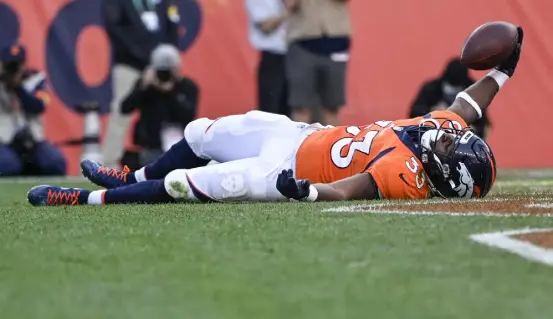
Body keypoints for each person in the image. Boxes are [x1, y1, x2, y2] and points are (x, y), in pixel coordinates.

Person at [27, 27, 523, 206]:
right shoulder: (446, 132)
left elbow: (348, 190)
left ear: (443, 173)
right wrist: (504, 70)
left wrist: (304, 190)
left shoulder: (409, 177)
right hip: (302, 133)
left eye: (446, 148)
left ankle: (88, 199)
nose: (443, 136)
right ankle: (131, 174)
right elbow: (468, 105)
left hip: (285, 172)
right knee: (202, 133)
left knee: (187, 184)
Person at [101, 0, 181, 168]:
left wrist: (166, 58)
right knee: (121, 112)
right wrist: (142, 56)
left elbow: (172, 26)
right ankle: (109, 163)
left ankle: (175, 159)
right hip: (129, 64)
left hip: (160, 66)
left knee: (169, 110)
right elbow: (115, 29)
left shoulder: (163, 2)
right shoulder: (118, 3)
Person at [119, 44, 199, 168]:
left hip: (178, 144)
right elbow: (125, 108)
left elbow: (188, 115)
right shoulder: (147, 86)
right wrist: (142, 88)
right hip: (151, 146)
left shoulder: (187, 87)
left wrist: (170, 92)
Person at [0, 43, 66, 177]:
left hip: (34, 140)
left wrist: (17, 87)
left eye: (17, 65)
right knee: (7, 166)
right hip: (4, 140)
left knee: (55, 163)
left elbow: (38, 106)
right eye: (9, 65)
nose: (13, 69)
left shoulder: (36, 79)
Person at [285, 0, 351, 126]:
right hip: (302, 43)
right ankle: (299, 143)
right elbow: (290, 5)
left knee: (331, 106)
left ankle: (333, 143)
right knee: (301, 105)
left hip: (336, 42)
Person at [410, 58, 491, 139]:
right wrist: (432, 112)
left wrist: (471, 129)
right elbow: (414, 113)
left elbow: (483, 125)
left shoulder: (473, 93)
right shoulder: (431, 88)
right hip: (431, 135)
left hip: (462, 141)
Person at [245, 0, 290, 117]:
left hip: (300, 54)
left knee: (297, 108)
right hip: (274, 57)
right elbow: (266, 26)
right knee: (271, 110)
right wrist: (290, 10)